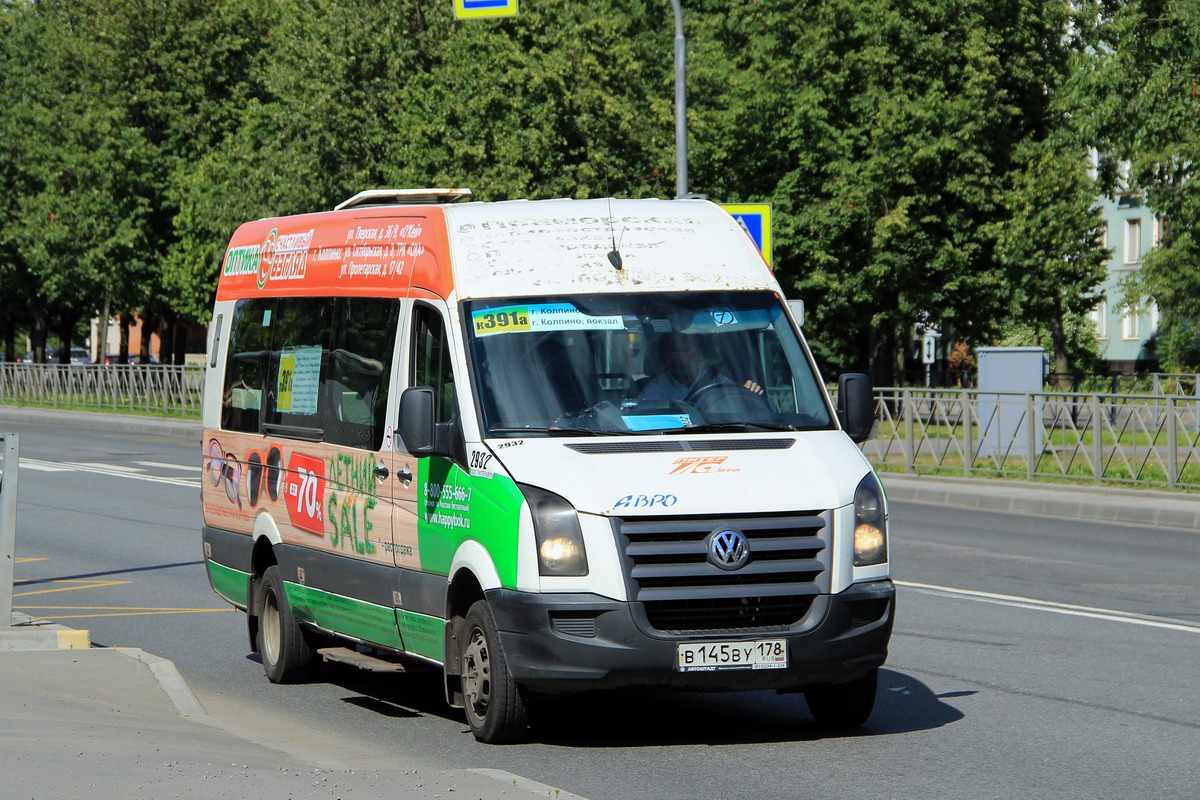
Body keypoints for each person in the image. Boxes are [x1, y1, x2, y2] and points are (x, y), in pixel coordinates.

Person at [637, 331, 762, 402]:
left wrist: (750, 393)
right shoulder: (655, 390)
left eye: (685, 352)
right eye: (674, 353)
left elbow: (739, 405)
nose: (679, 359)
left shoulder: (718, 382)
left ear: (699, 354)